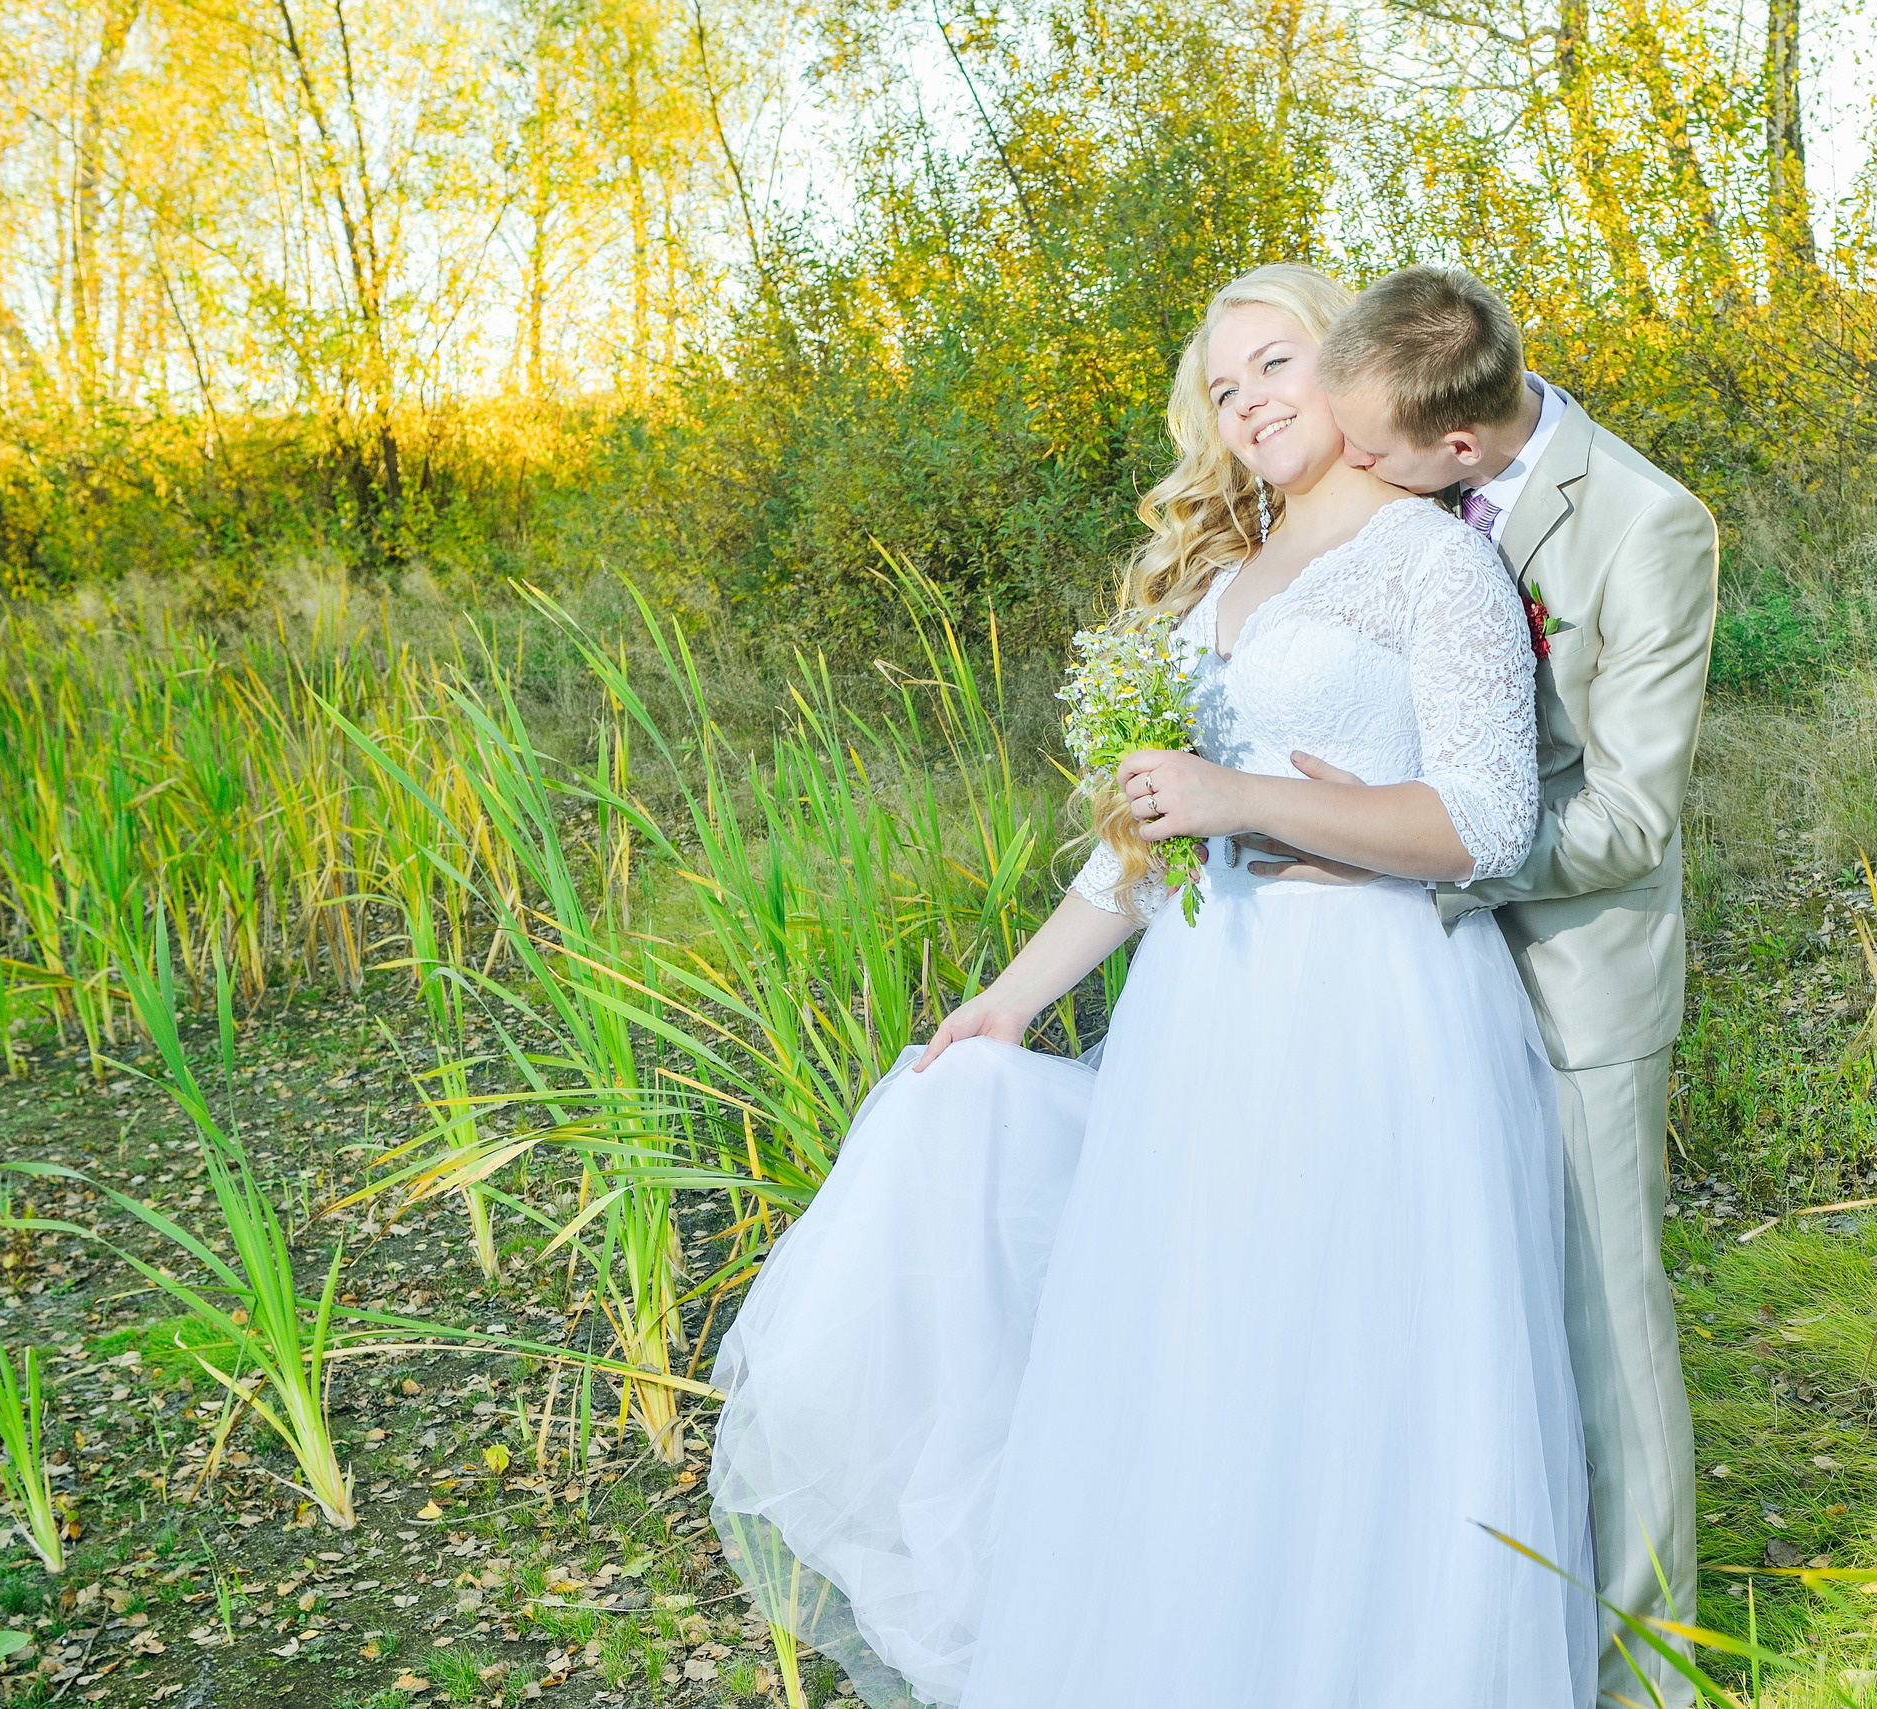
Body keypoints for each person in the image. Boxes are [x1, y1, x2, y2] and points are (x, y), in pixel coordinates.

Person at [705, 262, 1595, 1708]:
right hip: (1204, 1008)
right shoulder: (1218, 580)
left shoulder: (1439, 563)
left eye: (1276, 365)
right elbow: (1138, 850)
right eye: (1223, 386)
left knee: (1349, 1353)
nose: (1248, 404)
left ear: (1353, 364)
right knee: (1205, 1351)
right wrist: (1006, 1000)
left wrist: (1247, 793)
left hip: (1370, 1009)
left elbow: (1485, 823)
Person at [1310, 265, 1720, 1709]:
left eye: (1373, 449)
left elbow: (1628, 820)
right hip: (1411, 984)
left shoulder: (1649, 527)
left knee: (1609, 1323)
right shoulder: (1397, 488)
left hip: (1570, 978)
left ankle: (1648, 1669)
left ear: (1462, 449)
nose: (1348, 462)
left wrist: (1426, 855)